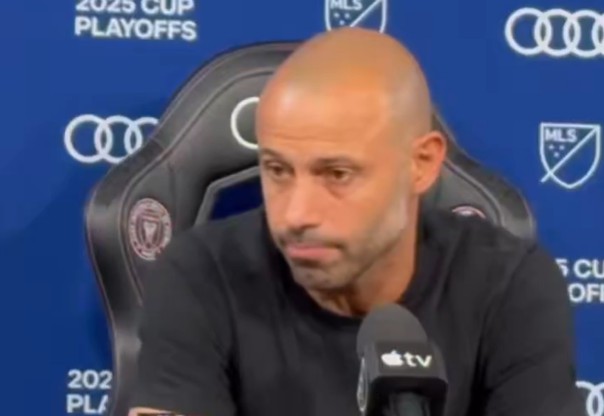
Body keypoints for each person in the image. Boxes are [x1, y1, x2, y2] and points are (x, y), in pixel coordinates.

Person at [128, 27, 584, 416]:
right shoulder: (200, 275)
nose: (296, 214)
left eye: (337, 174)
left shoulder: (508, 286)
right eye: (278, 171)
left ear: (422, 164)